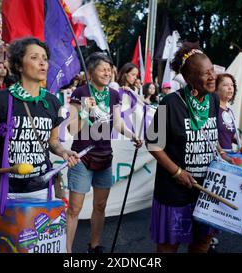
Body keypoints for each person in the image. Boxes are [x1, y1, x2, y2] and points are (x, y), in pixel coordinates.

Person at [0, 37, 80, 214]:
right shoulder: (0, 100)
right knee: (0, 242)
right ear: (18, 66)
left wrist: (64, 152)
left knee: (36, 242)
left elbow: (53, 141)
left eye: (44, 58)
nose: (42, 62)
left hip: (40, 191)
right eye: (34, 57)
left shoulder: (52, 102)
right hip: (4, 191)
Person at [145, 43, 232, 253]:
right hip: (175, 190)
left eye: (212, 70)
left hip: (206, 187)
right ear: (190, 78)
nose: (212, 77)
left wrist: (221, 153)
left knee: (203, 243)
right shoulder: (170, 103)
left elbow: (209, 133)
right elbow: (153, 143)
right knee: (169, 245)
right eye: (205, 74)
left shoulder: (213, 100)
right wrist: (176, 172)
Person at [65, 52, 142, 253]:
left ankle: (95, 245)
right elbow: (72, 129)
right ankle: (66, 251)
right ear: (91, 72)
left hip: (104, 156)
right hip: (81, 157)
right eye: (103, 69)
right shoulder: (80, 92)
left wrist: (132, 135)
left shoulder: (114, 94)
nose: (108, 73)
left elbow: (117, 123)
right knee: (74, 209)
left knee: (100, 206)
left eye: (110, 69)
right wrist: (84, 110)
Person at [215, 73, 238, 151]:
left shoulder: (230, 112)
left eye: (232, 85)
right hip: (216, 157)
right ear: (216, 88)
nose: (230, 88)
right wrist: (221, 152)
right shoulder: (213, 109)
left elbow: (228, 135)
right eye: (225, 85)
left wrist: (241, 143)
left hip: (229, 155)